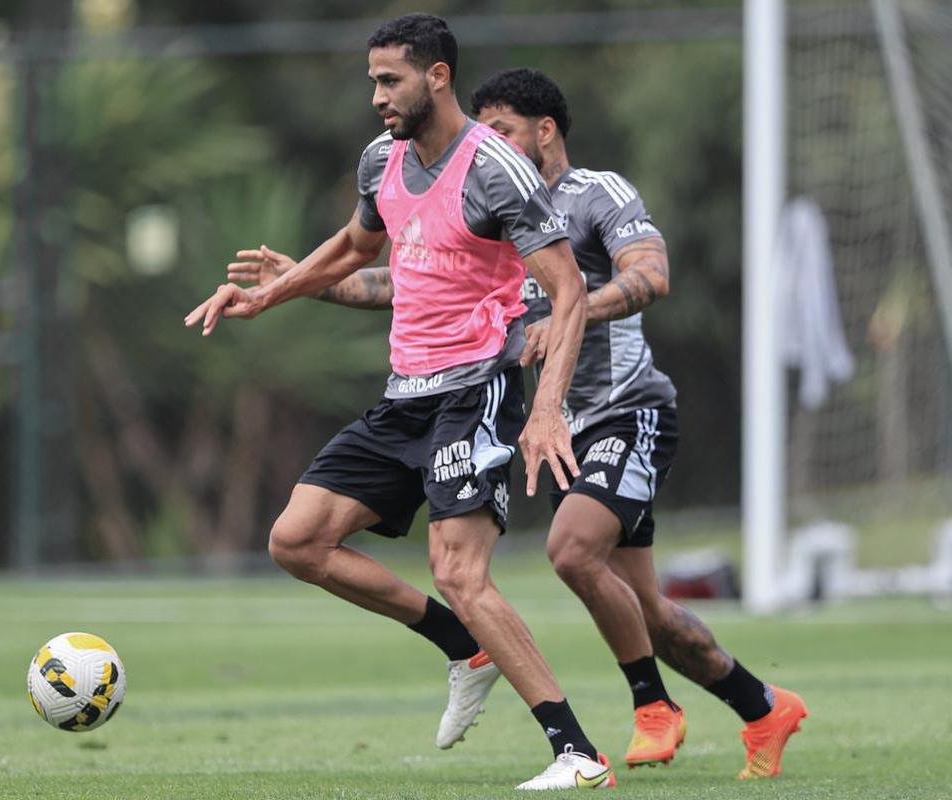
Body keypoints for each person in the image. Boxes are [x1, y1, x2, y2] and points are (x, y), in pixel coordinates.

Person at [227, 67, 809, 781]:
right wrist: (304, 281)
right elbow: (405, 282)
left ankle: (649, 706)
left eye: (500, 130)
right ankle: (762, 706)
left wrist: (573, 311)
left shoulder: (597, 194)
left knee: (569, 550)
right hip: (554, 416)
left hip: (626, 410)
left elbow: (651, 275)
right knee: (648, 611)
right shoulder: (491, 198)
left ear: (545, 131)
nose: (486, 142)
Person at [188, 14, 617, 793]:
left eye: (391, 80)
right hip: (405, 397)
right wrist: (271, 295)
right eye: (373, 81)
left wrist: (547, 407)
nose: (378, 96)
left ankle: (578, 754)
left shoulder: (495, 169)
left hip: (477, 390)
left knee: (458, 568)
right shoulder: (380, 160)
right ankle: (464, 647)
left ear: (438, 76)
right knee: (297, 540)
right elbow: (358, 247)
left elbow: (568, 288)